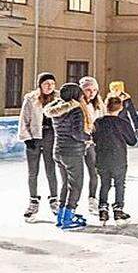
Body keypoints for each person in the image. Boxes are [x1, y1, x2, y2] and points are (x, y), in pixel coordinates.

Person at [45, 82, 92, 230]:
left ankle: (61, 215)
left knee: (66, 184)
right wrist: (88, 137)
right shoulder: (76, 110)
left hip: (58, 151)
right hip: (72, 152)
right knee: (76, 185)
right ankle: (68, 216)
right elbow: (77, 133)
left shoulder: (57, 110)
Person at [92, 94, 138, 223]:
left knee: (104, 184)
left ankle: (103, 210)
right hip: (118, 158)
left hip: (102, 157)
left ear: (106, 106)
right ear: (120, 108)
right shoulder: (123, 123)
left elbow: (93, 138)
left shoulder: (98, 122)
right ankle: (118, 210)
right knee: (119, 184)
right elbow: (132, 141)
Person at [20, 72, 59, 220]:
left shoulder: (59, 99)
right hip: (34, 138)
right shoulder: (31, 99)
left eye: (52, 84)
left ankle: (54, 199)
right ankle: (33, 200)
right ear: (40, 85)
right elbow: (24, 119)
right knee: (33, 171)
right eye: (46, 83)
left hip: (51, 137)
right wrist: (26, 138)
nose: (49, 86)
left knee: (51, 170)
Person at [79, 76, 105, 215]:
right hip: (77, 143)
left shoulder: (99, 105)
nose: (92, 92)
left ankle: (92, 198)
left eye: (94, 90)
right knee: (76, 176)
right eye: (88, 90)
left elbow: (103, 122)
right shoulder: (76, 105)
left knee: (94, 172)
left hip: (93, 143)